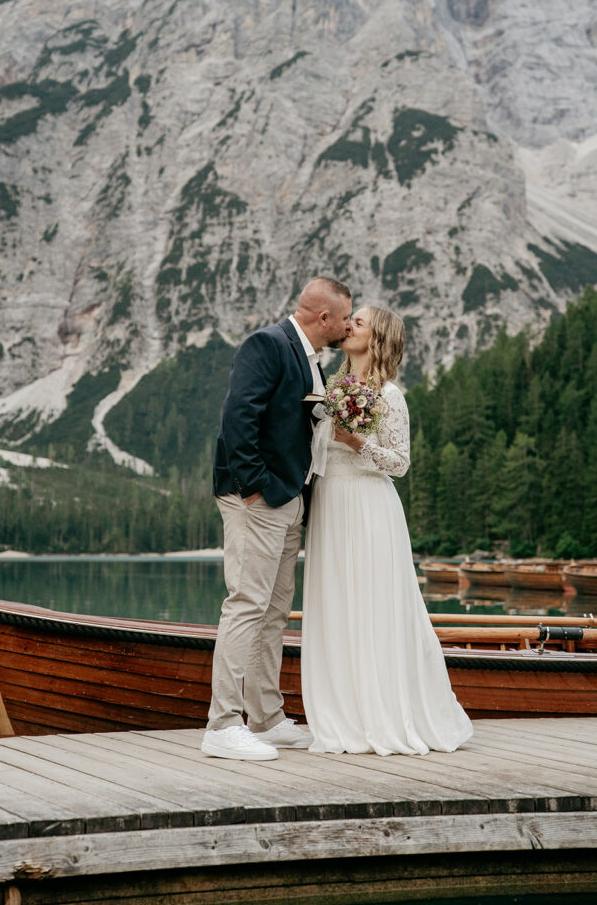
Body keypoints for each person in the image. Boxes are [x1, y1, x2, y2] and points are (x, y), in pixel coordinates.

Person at [302, 305, 473, 755]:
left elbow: (400, 463)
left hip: (368, 505)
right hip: (330, 504)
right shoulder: (331, 387)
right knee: (335, 603)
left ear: (376, 338)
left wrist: (357, 441)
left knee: (373, 605)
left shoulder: (390, 395)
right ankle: (341, 713)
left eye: (357, 322)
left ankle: (381, 713)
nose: (347, 325)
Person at [202, 277, 353, 760]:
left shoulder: (311, 358)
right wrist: (255, 488)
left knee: (273, 611)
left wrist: (292, 496)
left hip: (289, 500)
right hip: (259, 500)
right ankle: (222, 724)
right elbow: (238, 415)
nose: (349, 325)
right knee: (247, 603)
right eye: (345, 317)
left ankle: (265, 719)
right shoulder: (267, 343)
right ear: (324, 318)